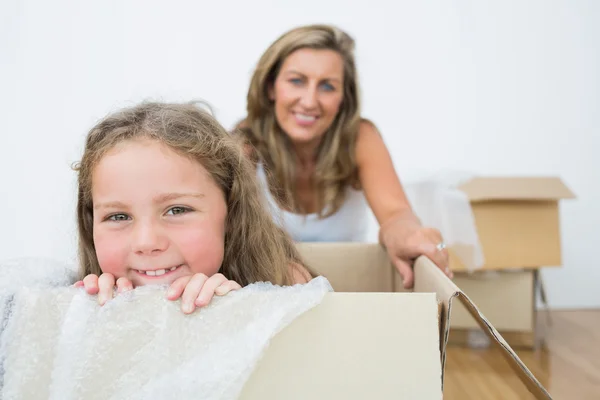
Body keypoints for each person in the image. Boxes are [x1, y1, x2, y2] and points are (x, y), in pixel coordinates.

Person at [235, 24, 452, 289]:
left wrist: (408, 235)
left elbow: (396, 215)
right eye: (296, 81)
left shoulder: (360, 138)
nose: (310, 100)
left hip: (349, 291)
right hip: (276, 295)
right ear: (271, 88)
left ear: (343, 98)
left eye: (327, 86)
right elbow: (230, 235)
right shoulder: (243, 145)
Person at [73, 101, 314, 313]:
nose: (146, 243)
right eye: (118, 216)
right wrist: (94, 317)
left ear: (231, 211)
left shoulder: (285, 285)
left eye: (177, 210)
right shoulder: (83, 300)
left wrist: (239, 311)